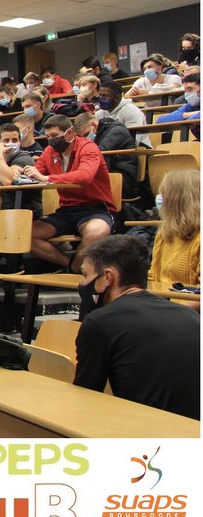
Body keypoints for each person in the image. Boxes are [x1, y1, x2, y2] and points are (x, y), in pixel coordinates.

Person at [73, 236, 199, 420]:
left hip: (146, 438)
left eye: (85, 275)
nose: (83, 284)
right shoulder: (189, 315)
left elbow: (85, 399)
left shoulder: (100, 322)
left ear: (108, 277)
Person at [24, 115, 116, 273]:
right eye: (47, 136)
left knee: (96, 232)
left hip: (95, 208)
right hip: (66, 210)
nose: (51, 140)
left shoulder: (88, 147)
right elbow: (36, 173)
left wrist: (47, 178)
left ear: (70, 133)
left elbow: (85, 176)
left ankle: (76, 268)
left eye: (54, 136)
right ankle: (71, 265)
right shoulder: (49, 151)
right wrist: (23, 173)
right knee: (24, 235)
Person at [148, 169, 200, 302]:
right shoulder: (164, 233)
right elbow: (154, 277)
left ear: (176, 201)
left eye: (164, 195)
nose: (160, 199)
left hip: (188, 313)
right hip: (163, 304)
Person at [71, 113, 137, 201]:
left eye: (86, 134)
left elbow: (97, 153)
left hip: (123, 179)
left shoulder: (117, 131)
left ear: (94, 125)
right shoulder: (100, 134)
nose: (85, 139)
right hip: (107, 175)